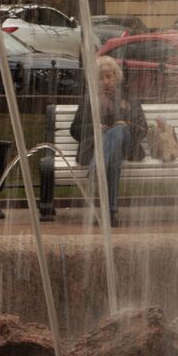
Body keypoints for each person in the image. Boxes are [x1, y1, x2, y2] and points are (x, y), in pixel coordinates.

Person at [70, 55, 146, 227]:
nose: (105, 81)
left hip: (127, 144)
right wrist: (95, 128)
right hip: (104, 148)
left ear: (116, 77)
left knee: (118, 130)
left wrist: (123, 122)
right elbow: (75, 129)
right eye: (100, 77)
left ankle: (97, 166)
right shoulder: (90, 100)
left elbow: (143, 129)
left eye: (109, 76)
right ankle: (110, 213)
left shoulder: (129, 97)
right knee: (113, 158)